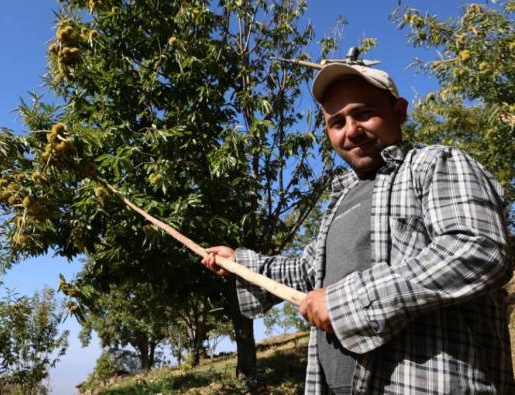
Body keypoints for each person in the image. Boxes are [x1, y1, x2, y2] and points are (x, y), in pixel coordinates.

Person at [203, 63, 514, 394]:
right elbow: (307, 271)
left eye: (363, 114)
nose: (350, 131)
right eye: (336, 122)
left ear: (399, 111)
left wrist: (348, 302)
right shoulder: (340, 200)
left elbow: (478, 249)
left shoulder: (435, 164)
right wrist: (238, 262)